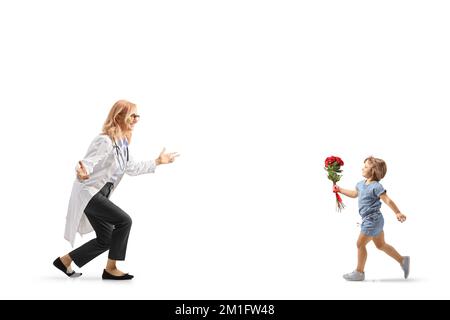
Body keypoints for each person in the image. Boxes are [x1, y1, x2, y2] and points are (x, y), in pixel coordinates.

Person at [53, 100, 179, 280]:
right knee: (124, 221)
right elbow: (86, 164)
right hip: (90, 193)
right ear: (119, 116)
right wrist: (82, 173)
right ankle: (111, 268)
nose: (136, 119)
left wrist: (158, 161)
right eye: (132, 115)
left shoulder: (122, 144)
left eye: (137, 116)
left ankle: (64, 261)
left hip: (102, 194)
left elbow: (132, 168)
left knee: (107, 238)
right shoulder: (104, 140)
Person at [333, 156, 409, 281]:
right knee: (381, 245)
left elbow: (387, 200)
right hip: (374, 220)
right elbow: (354, 194)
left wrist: (398, 212)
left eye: (366, 166)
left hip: (372, 220)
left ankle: (359, 272)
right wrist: (340, 190)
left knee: (360, 244)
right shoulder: (360, 184)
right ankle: (402, 260)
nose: (363, 168)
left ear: (374, 171)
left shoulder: (376, 186)